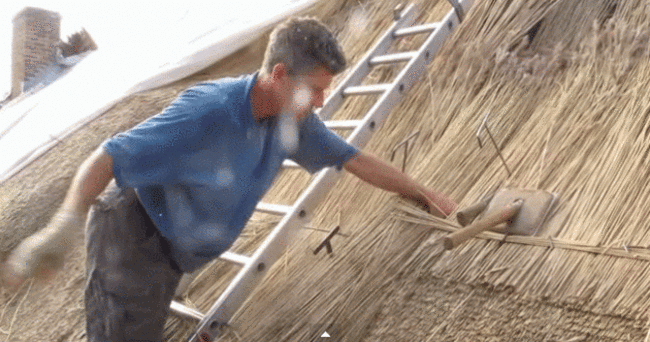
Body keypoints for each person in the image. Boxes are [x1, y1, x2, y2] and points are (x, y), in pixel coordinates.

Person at [3, 17, 457, 341]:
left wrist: (423, 192)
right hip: (133, 237)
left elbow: (355, 160)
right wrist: (61, 226)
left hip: (173, 250)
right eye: (315, 88)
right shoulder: (209, 111)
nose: (321, 101)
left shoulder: (291, 121)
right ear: (279, 76)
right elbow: (106, 156)